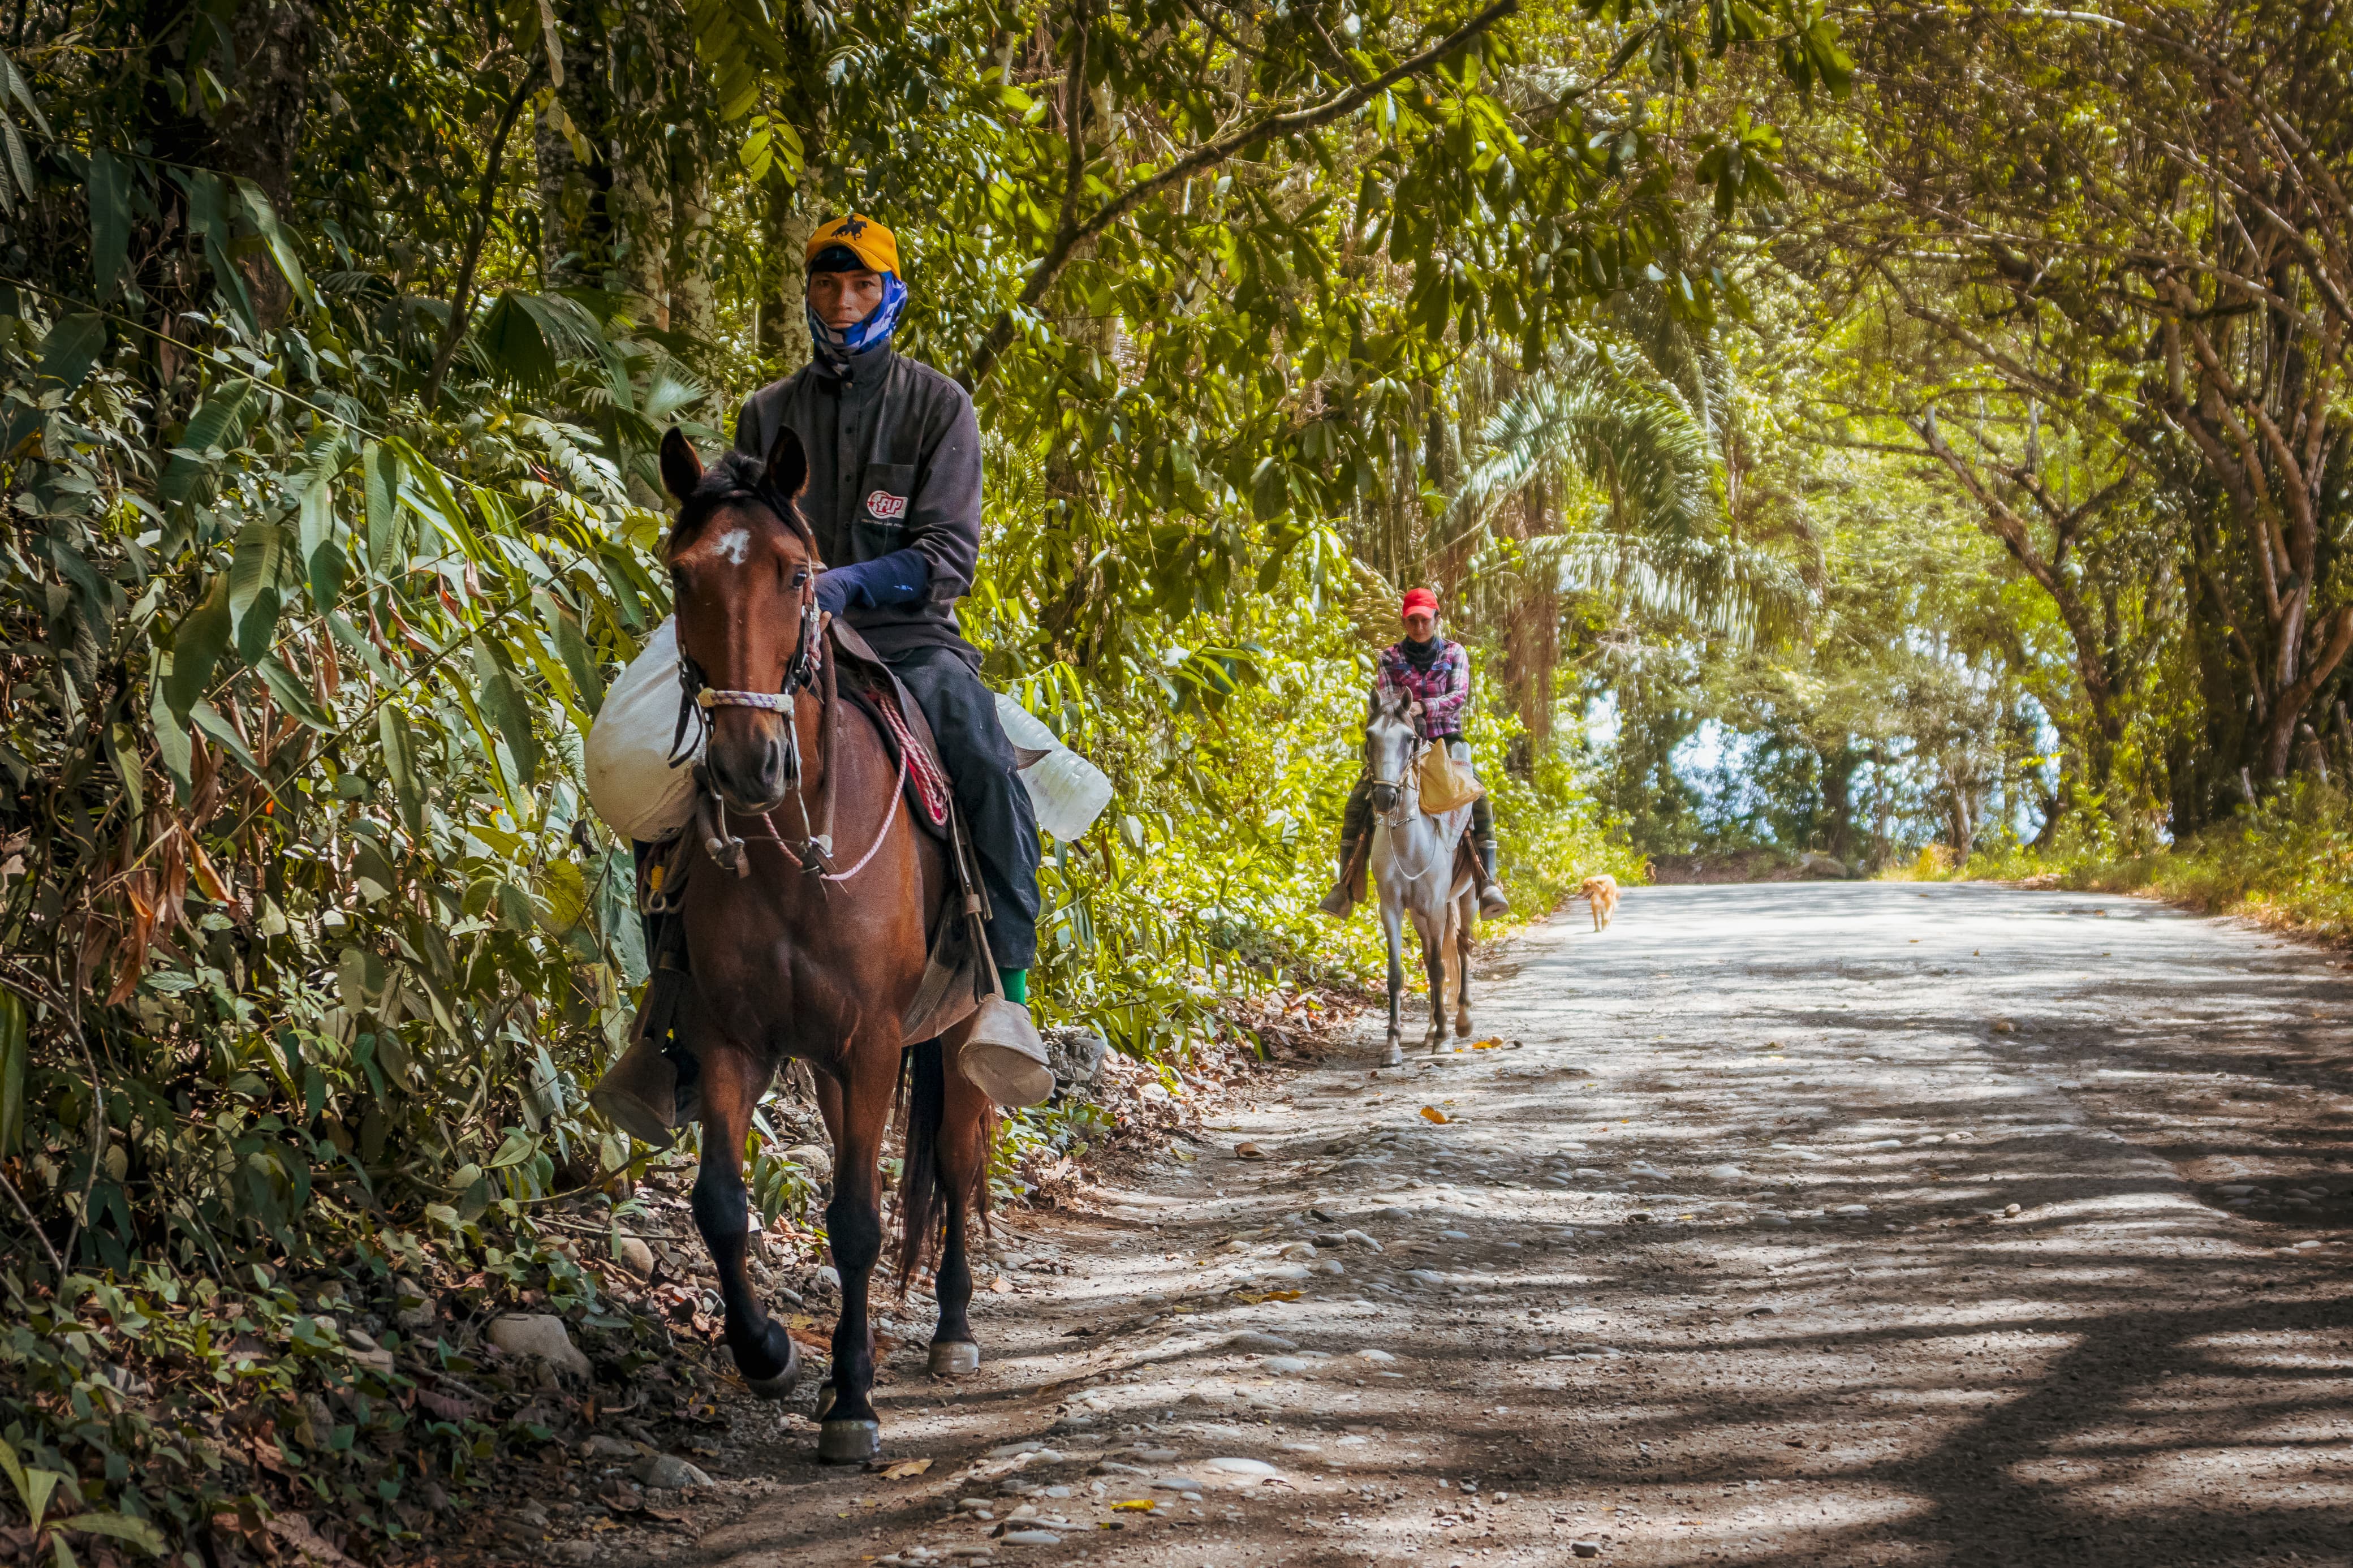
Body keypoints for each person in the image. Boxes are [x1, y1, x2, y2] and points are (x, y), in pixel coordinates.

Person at [732, 212, 1041, 1006]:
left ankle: (1010, 993)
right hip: (780, 645)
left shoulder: (939, 407)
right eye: (828, 283)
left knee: (982, 754)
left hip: (908, 645)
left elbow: (949, 557)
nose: (842, 300)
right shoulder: (764, 416)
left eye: (861, 283)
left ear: (890, 293)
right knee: (668, 754)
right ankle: (672, 1001)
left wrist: (842, 586)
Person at [1321, 588, 1510, 919]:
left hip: (1444, 740)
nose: (1419, 626)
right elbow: (1385, 702)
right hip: (1400, 742)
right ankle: (1346, 886)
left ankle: (1486, 881)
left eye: (1425, 620)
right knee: (1358, 801)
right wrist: (1405, 718)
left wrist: (1424, 706)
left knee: (1478, 795)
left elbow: (1458, 697)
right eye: (1412, 620)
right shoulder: (1389, 658)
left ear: (1437, 619)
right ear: (1404, 621)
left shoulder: (1455, 654)